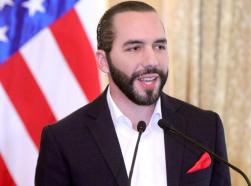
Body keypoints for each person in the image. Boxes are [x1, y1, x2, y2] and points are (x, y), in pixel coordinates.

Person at [35, 1, 231, 186]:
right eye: (135, 48)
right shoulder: (64, 140)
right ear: (104, 61)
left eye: (159, 46)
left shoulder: (205, 127)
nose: (152, 60)